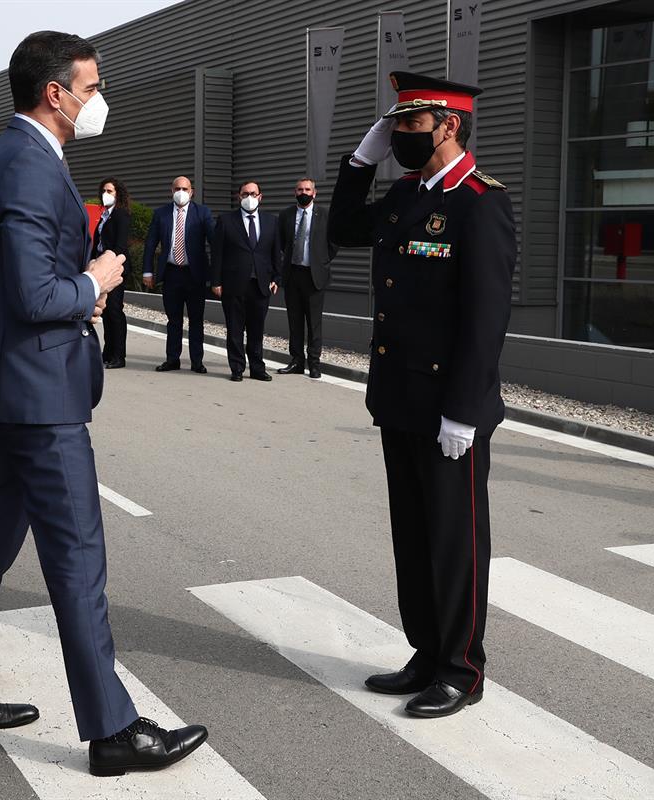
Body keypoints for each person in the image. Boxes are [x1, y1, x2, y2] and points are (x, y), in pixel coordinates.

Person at [0, 31, 208, 776]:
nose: (96, 99)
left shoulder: (15, 159)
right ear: (55, 94)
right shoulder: (25, 166)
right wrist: (99, 280)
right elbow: (34, 294)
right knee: (77, 559)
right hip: (38, 398)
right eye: (90, 85)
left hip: (13, 390)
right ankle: (113, 731)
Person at [328, 72, 516, 718]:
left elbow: (485, 317)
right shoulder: (407, 194)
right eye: (395, 126)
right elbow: (345, 226)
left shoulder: (480, 201)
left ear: (449, 126)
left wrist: (464, 408)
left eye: (409, 127)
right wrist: (360, 160)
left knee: (453, 541)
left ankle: (462, 668)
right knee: (412, 535)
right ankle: (426, 651)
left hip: (448, 409)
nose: (400, 136)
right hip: (399, 397)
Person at [143, 176, 216, 373]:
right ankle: (172, 359)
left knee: (196, 319)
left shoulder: (202, 213)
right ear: (171, 190)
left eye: (185, 188)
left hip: (195, 275)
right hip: (172, 273)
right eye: (177, 188)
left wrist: (217, 274)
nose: (181, 192)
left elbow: (215, 241)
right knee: (173, 319)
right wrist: (147, 271)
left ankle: (196, 361)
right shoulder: (161, 214)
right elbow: (151, 243)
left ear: (192, 191)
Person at [210, 180, 282, 382]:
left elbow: (276, 252)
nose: (249, 197)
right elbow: (217, 254)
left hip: (260, 284)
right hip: (233, 284)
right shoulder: (226, 220)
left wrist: (277, 277)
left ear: (260, 197)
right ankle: (237, 368)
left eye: (253, 193)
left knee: (257, 329)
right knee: (234, 328)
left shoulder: (270, 221)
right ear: (238, 196)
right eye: (245, 194)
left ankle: (257, 368)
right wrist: (215, 281)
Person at [277, 177, 338, 379]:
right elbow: (280, 242)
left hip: (314, 275)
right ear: (295, 192)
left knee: (314, 323)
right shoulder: (286, 214)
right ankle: (296, 361)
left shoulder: (325, 215)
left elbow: (334, 242)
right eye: (300, 189)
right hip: (292, 274)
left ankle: (314, 363)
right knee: (294, 321)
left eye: (307, 189)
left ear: (314, 192)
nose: (304, 192)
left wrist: (323, 260)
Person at [93, 177, 132, 368]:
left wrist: (108, 261)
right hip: (102, 267)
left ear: (118, 194)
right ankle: (107, 352)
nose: (106, 195)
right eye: (104, 191)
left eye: (110, 191)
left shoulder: (121, 215)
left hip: (116, 267)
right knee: (106, 312)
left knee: (115, 311)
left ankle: (119, 355)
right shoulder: (104, 215)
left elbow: (120, 244)